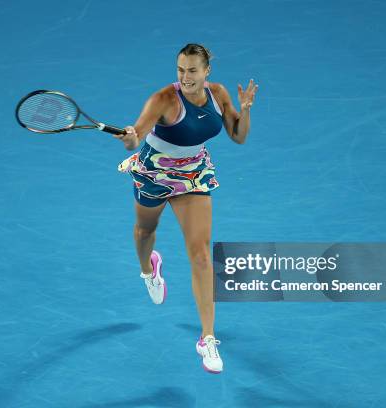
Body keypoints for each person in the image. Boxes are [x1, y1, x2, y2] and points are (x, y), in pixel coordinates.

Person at [115, 43, 258, 374]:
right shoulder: (164, 99)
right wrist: (130, 139)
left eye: (192, 70)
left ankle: (207, 339)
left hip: (193, 174)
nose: (185, 76)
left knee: (201, 255)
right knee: (144, 232)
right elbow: (137, 135)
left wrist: (245, 108)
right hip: (155, 171)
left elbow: (238, 136)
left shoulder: (219, 94)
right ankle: (149, 268)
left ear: (206, 71)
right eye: (180, 69)